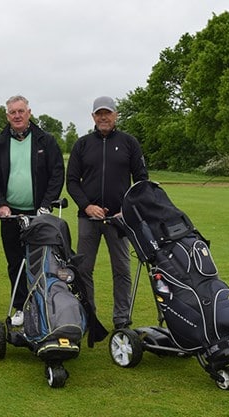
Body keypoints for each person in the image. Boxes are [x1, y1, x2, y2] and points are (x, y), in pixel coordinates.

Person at [66, 96, 148, 330]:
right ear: (93, 117)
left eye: (108, 113)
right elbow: (72, 181)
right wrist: (86, 205)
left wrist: (128, 209)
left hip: (119, 220)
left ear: (115, 115)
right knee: (83, 270)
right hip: (88, 218)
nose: (103, 117)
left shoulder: (129, 143)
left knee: (122, 269)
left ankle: (121, 319)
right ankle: (88, 315)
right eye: (99, 113)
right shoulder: (82, 144)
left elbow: (142, 180)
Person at [0, 95, 65, 326]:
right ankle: (20, 307)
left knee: (41, 263)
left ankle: (44, 307)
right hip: (11, 215)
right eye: (12, 112)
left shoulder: (45, 141)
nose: (17, 116)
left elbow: (56, 174)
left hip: (39, 214)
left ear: (29, 112)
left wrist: (46, 205)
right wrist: (0, 204)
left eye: (21, 111)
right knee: (15, 264)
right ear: (7, 115)